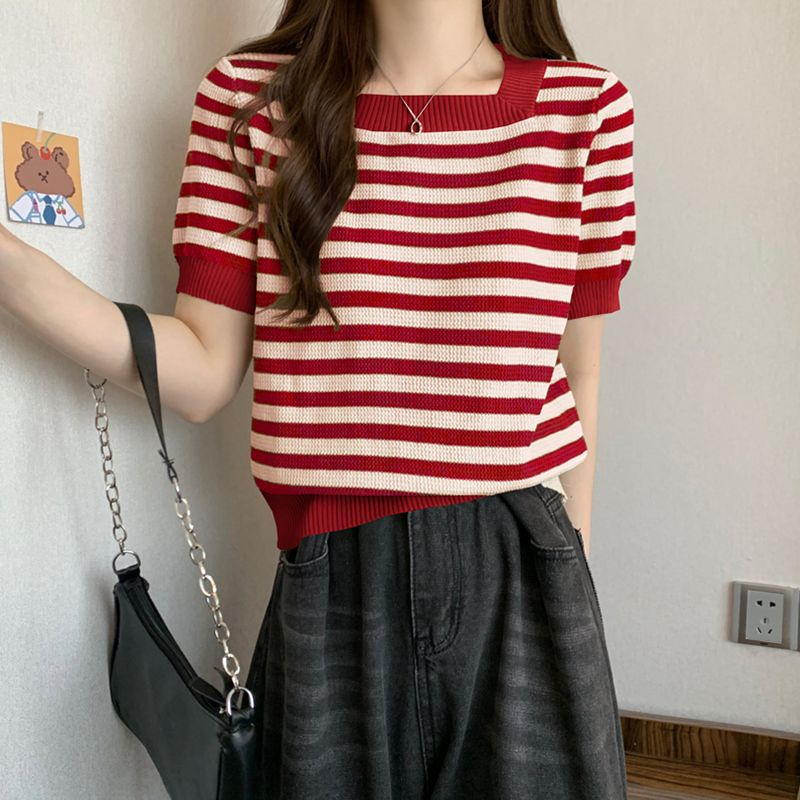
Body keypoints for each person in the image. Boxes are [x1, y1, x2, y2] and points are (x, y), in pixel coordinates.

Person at [0, 0, 636, 797]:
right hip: (335, 578)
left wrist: (572, 574)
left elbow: (579, 372)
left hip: (522, 568)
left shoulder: (585, 109)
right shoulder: (250, 103)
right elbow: (202, 370)